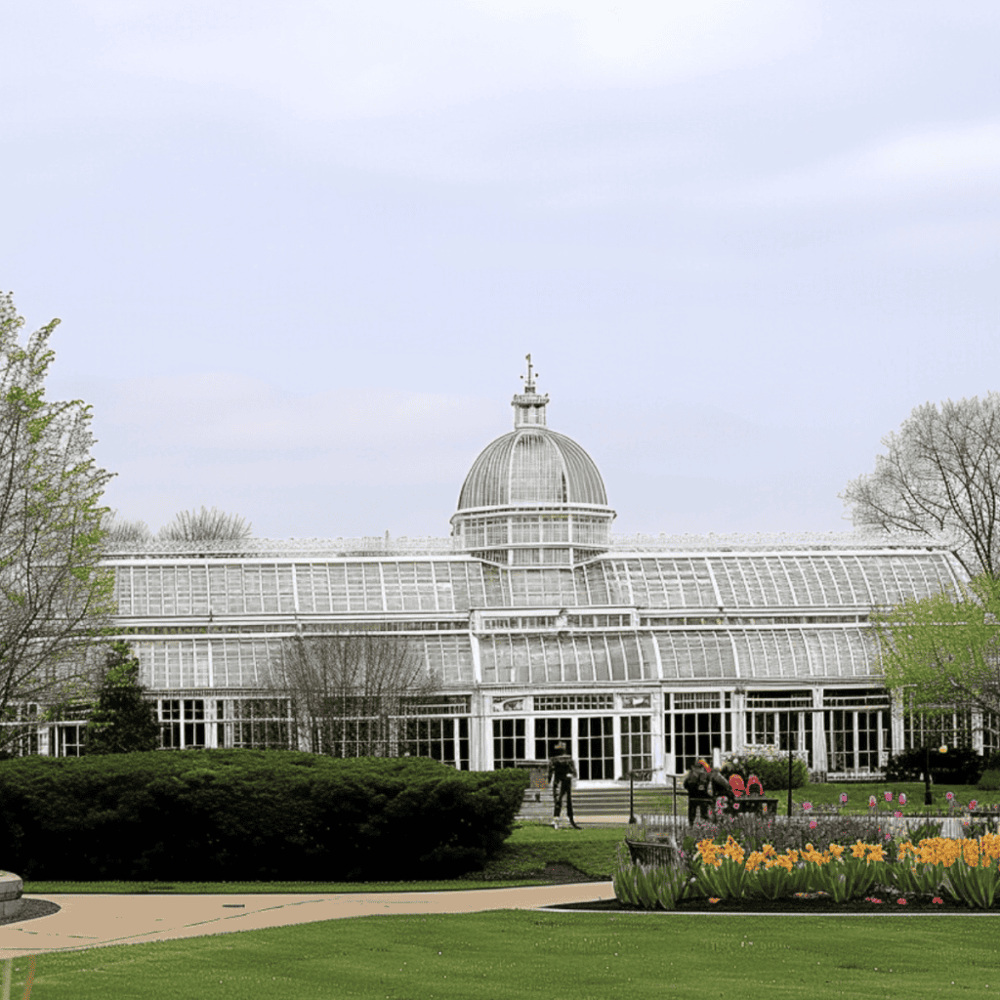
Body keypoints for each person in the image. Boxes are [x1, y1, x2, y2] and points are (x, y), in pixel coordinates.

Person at [683, 759, 734, 824]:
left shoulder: (696, 776)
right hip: (702, 798)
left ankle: (696, 824)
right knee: (699, 813)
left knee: (699, 813)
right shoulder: (698, 776)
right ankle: (697, 824)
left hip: (699, 798)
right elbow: (725, 784)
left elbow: (686, 785)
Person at [548, 742, 581, 830]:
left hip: (561, 781)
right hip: (561, 781)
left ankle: (563, 820)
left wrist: (549, 780)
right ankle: (558, 821)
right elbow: (574, 772)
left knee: (562, 801)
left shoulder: (555, 760)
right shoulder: (564, 760)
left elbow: (550, 772)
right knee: (561, 801)